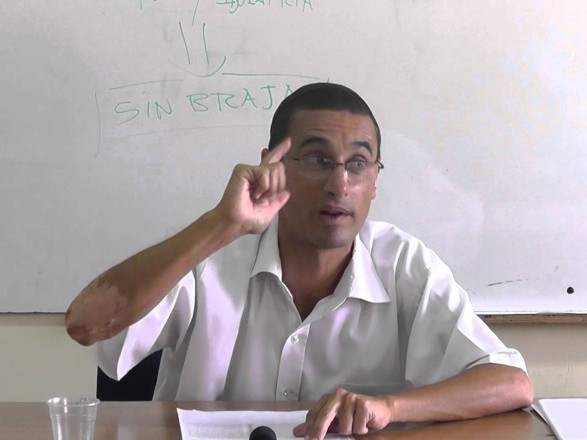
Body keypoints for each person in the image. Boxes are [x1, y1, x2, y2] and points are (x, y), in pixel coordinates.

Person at [65, 83, 533, 439]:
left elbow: (511, 384)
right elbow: (86, 326)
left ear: (374, 182)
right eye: (317, 159)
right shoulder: (212, 253)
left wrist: (390, 408)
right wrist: (221, 223)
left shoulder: (403, 264)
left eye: (358, 164)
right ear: (272, 165)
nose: (339, 184)